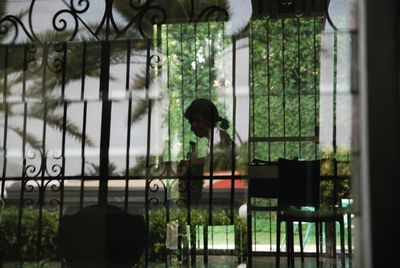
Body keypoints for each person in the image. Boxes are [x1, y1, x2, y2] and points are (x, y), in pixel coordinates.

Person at [177, 98, 234, 206]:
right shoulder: (215, 136)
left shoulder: (218, 136)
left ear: (201, 120)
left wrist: (194, 162)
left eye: (192, 122)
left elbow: (219, 159)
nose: (192, 128)